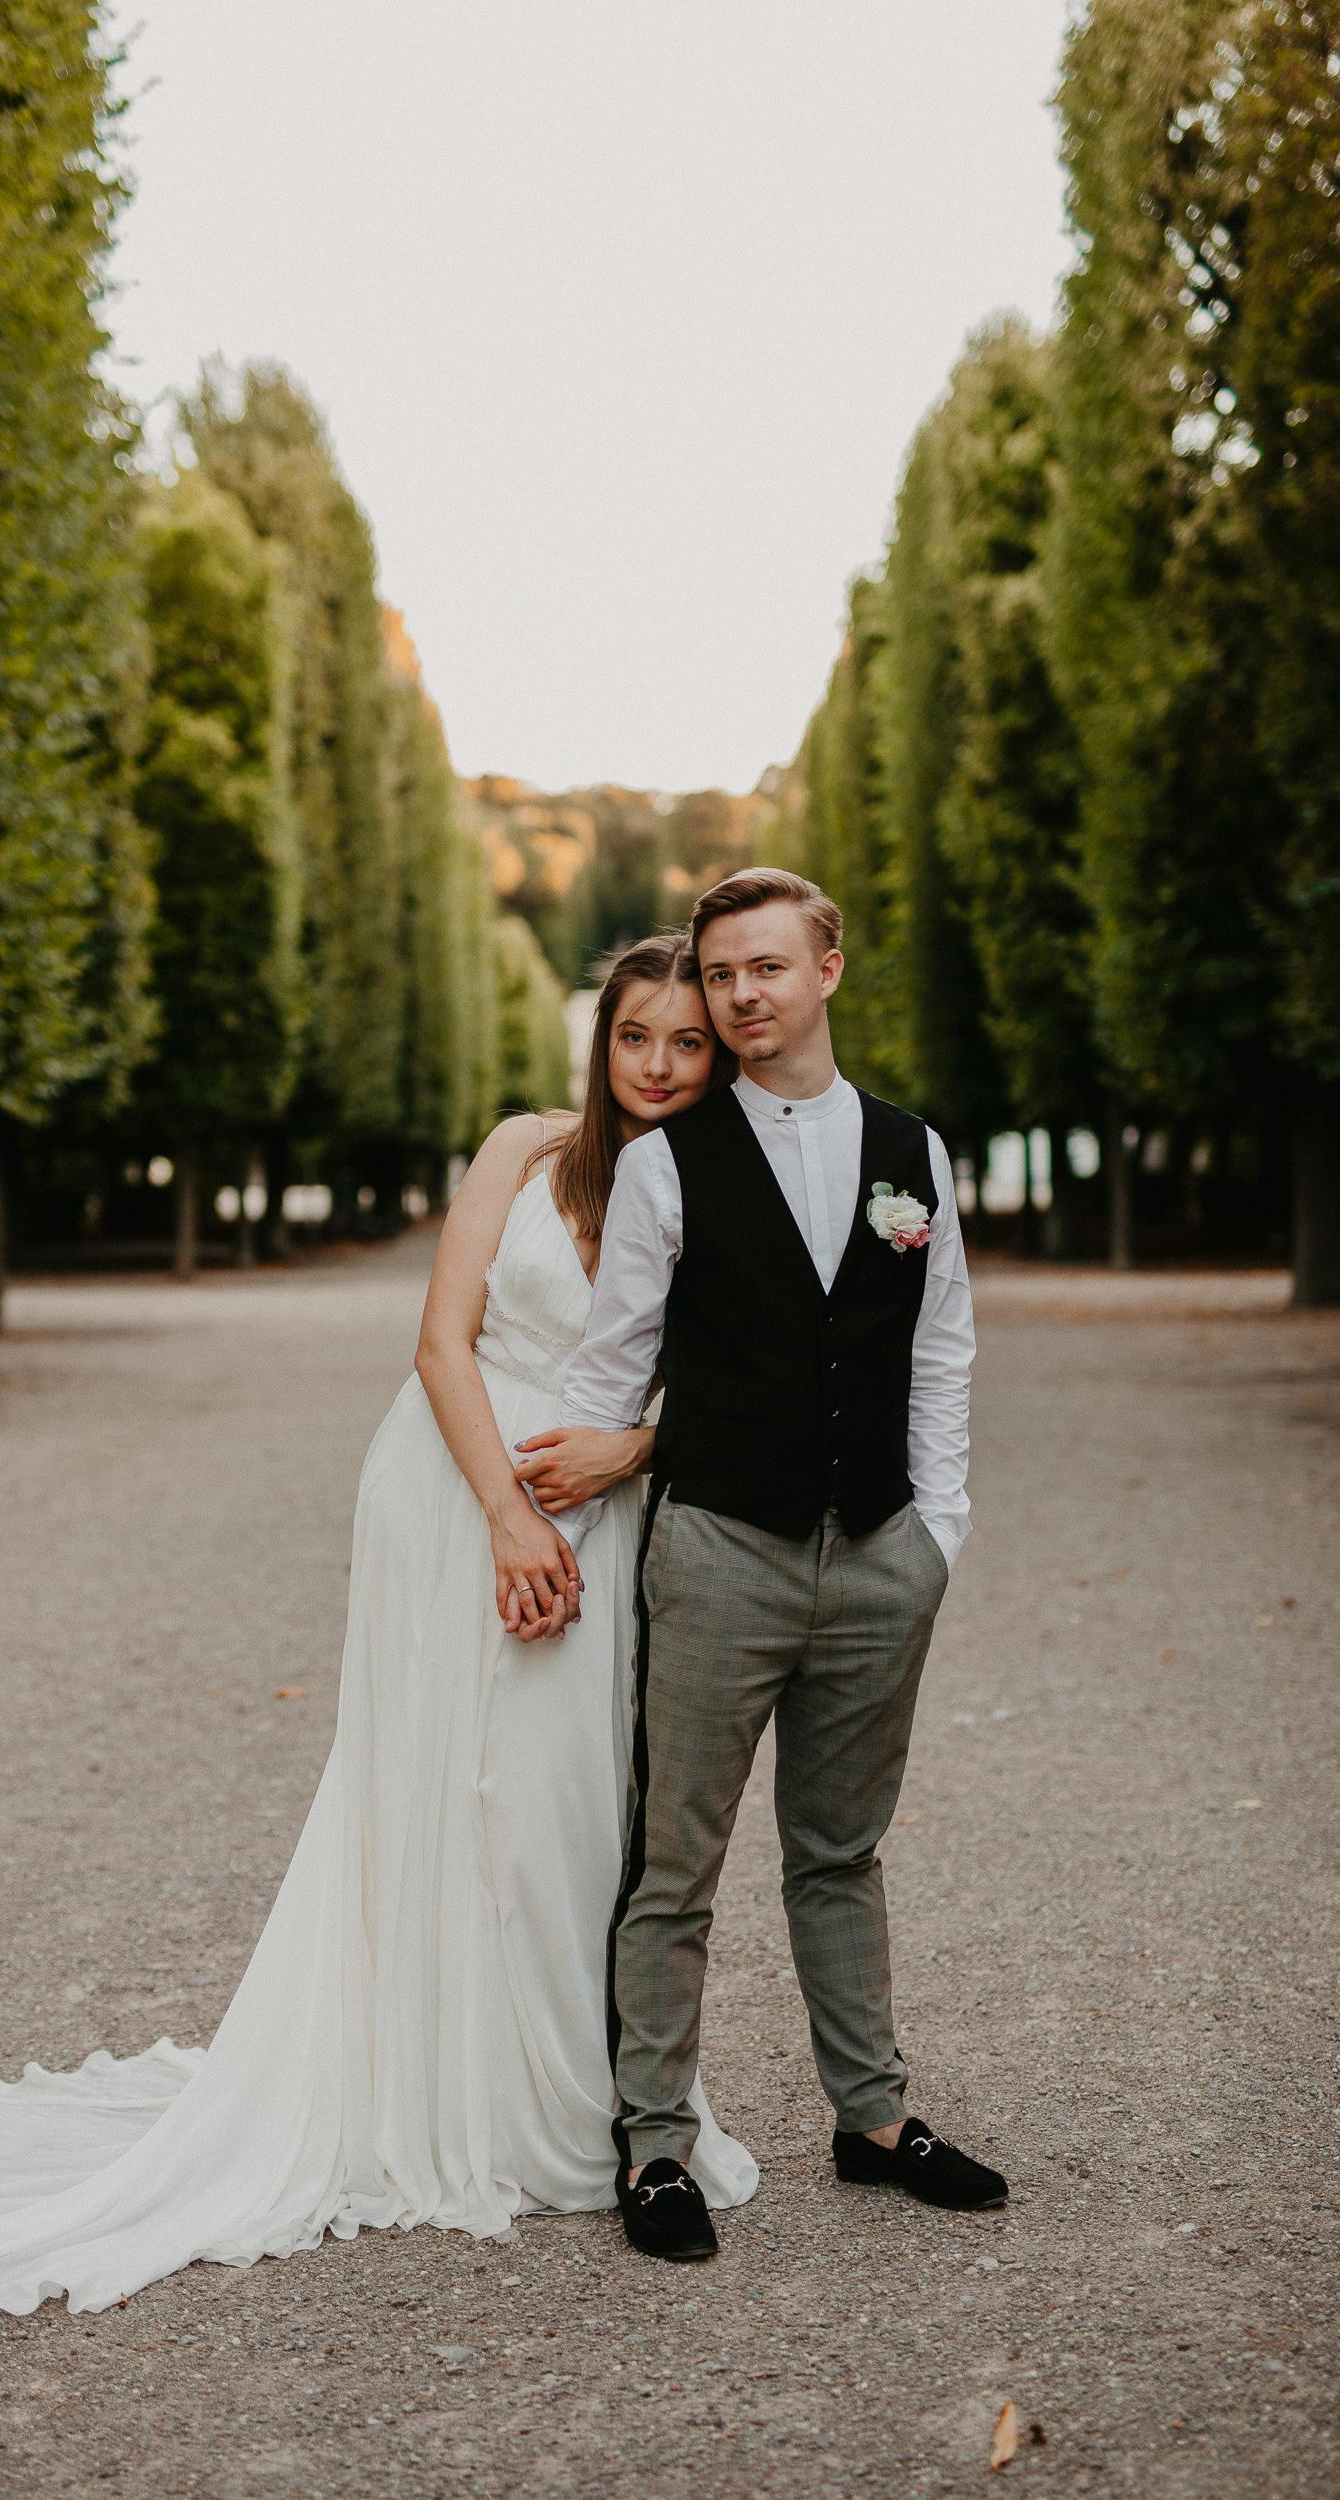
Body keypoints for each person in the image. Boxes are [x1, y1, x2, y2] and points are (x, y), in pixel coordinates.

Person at [0, 933, 755, 2319]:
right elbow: (440, 1340)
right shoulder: (524, 1152)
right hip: (451, 1487)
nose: (661, 1067)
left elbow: (744, 1385)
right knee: (432, 1784)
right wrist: (506, 1513)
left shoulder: (727, 1189)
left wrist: (629, 1459)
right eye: (636, 1039)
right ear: (600, 1045)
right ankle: (440, 2096)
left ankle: (571, 2105)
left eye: (688, 1044)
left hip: (600, 1504)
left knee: (563, 1802)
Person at [536, 868, 1006, 2264]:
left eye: (768, 968)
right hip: (722, 1553)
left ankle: (873, 2121)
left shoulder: (914, 1154)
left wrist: (938, 1535)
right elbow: (612, 1367)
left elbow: (942, 1347)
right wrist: (548, 1545)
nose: (742, 995)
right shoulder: (666, 1162)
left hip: (879, 1559)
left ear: (828, 972)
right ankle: (656, 2146)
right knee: (674, 1862)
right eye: (722, 972)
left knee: (839, 1852)